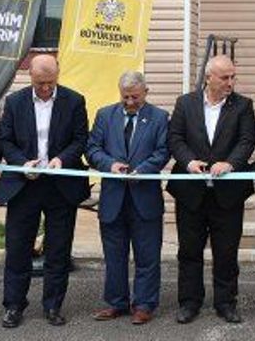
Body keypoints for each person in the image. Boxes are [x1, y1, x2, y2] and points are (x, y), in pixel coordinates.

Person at [0, 55, 89, 328]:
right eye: (40, 83)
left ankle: (53, 305)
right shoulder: (15, 102)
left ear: (58, 75)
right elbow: (5, 141)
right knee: (17, 249)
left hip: (60, 186)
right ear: (30, 76)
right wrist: (22, 163)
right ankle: (14, 306)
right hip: (24, 184)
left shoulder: (74, 101)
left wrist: (62, 159)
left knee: (58, 249)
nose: (46, 88)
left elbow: (81, 139)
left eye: (50, 82)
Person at [166, 55, 255, 325]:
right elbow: (175, 138)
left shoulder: (243, 106)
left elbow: (247, 141)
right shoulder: (185, 103)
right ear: (208, 78)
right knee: (189, 251)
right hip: (190, 192)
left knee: (226, 252)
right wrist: (188, 162)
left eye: (233, 77)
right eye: (225, 77)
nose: (231, 82)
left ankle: (226, 302)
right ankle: (189, 302)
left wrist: (230, 163)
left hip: (227, 194)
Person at [85, 71, 170, 324]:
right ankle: (116, 302)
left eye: (135, 97)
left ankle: (144, 305)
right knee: (114, 256)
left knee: (147, 257)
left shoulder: (159, 117)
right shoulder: (105, 115)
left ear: (146, 92)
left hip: (145, 199)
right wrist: (109, 165)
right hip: (113, 200)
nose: (130, 102)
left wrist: (142, 170)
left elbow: (163, 151)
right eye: (125, 97)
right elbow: (92, 148)